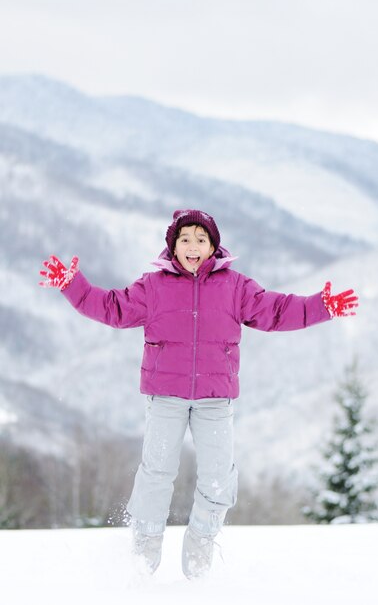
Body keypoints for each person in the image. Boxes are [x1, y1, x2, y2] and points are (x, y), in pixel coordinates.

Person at [39, 209, 358, 579]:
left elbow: (276, 310)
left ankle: (201, 550)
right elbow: (113, 307)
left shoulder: (234, 286)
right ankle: (143, 552)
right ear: (173, 246)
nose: (192, 246)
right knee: (156, 472)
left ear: (213, 247)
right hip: (166, 397)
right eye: (185, 239)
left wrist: (321, 306)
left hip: (214, 398)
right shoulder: (154, 286)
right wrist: (72, 286)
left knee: (219, 477)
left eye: (200, 240)